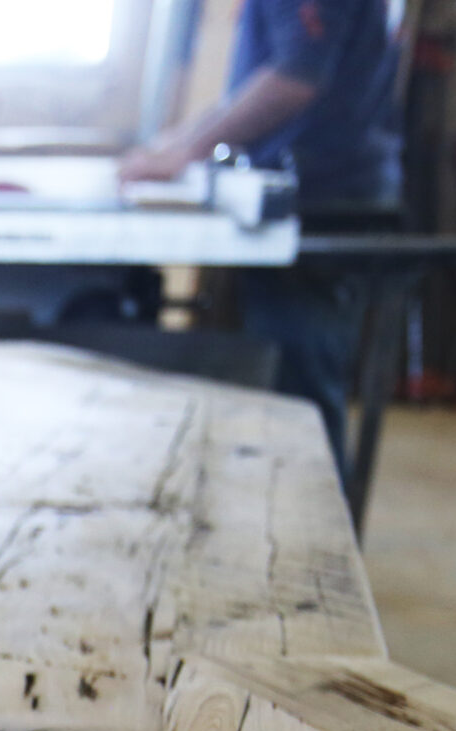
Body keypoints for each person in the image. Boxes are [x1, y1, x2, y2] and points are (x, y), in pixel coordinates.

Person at [120, 0, 405, 463]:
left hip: (324, 200)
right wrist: (177, 143)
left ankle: (312, 531)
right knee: (288, 384)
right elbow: (264, 79)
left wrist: (183, 154)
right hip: (312, 191)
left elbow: (295, 80)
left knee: (300, 394)